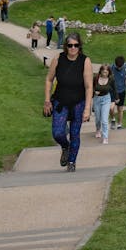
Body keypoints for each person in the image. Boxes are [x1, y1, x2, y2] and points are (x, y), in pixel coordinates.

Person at [44, 31, 92, 171]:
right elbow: (49, 79)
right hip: (60, 101)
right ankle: (65, 146)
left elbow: (89, 87)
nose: (73, 48)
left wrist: (87, 108)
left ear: (79, 46)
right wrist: (47, 100)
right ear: (66, 46)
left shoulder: (85, 61)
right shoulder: (58, 59)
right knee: (58, 132)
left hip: (79, 102)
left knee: (75, 133)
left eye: (76, 45)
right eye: (70, 45)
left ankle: (72, 162)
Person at [91, 64, 114, 142]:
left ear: (109, 72)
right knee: (98, 118)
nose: (105, 73)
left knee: (104, 119)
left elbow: (114, 90)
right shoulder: (95, 78)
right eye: (103, 72)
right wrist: (94, 92)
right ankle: (98, 130)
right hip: (97, 99)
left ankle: (105, 137)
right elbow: (90, 88)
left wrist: (114, 101)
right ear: (100, 71)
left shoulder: (111, 79)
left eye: (106, 72)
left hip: (106, 99)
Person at [110, 55, 126, 130]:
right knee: (111, 108)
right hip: (112, 91)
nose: (119, 68)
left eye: (120, 67)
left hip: (121, 91)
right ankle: (113, 119)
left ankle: (119, 124)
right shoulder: (111, 68)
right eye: (118, 67)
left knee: (120, 109)